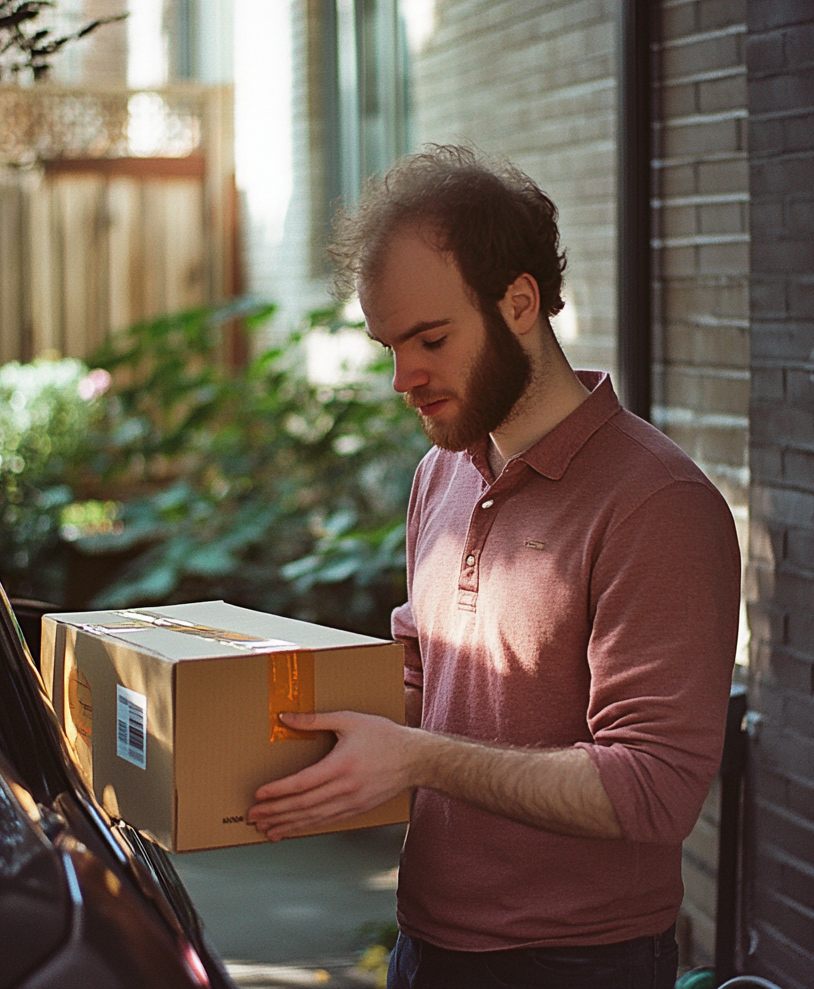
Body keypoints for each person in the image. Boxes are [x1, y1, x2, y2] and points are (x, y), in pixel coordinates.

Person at [247, 145, 741, 989]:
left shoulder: (658, 505)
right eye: (388, 344)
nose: (404, 377)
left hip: (577, 963)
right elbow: (421, 681)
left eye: (430, 338)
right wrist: (268, 748)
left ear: (519, 303)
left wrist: (414, 758)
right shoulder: (441, 471)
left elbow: (655, 788)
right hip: (425, 943)